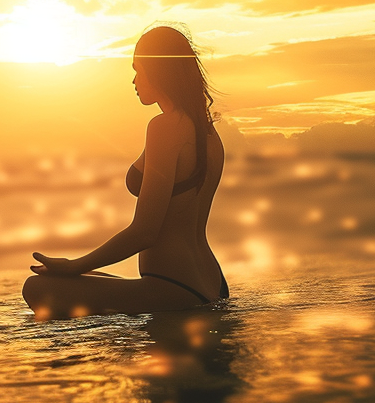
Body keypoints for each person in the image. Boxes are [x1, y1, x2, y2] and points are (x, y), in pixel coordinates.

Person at [23, 24, 228, 319]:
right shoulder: (209, 135)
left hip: (174, 287)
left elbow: (145, 231)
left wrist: (74, 265)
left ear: (158, 71)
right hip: (210, 283)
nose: (134, 80)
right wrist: (79, 268)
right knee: (69, 279)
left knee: (37, 287)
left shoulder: (165, 128)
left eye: (138, 69)